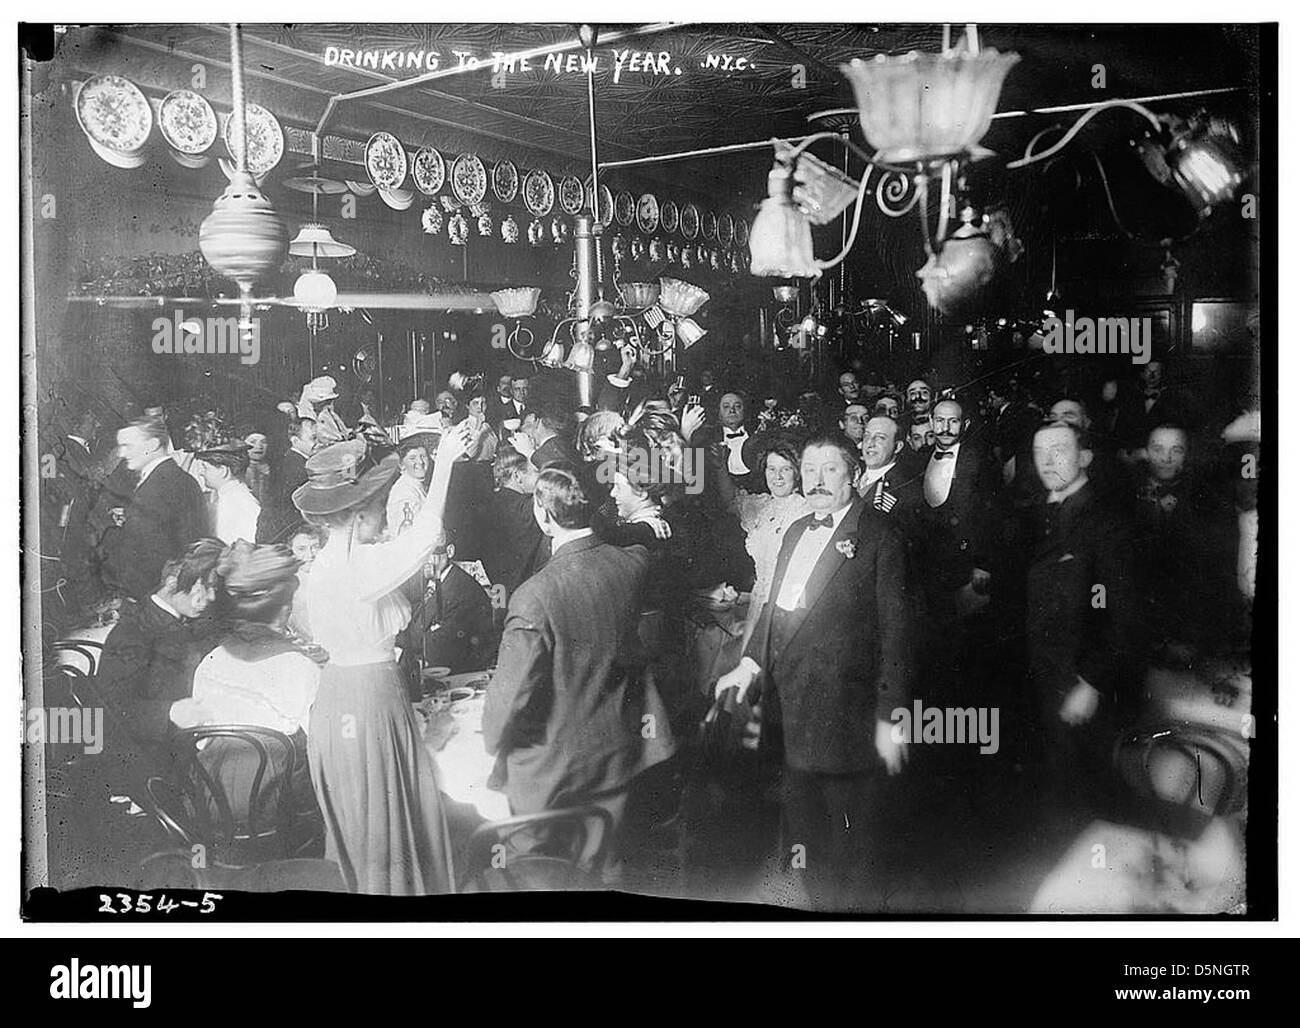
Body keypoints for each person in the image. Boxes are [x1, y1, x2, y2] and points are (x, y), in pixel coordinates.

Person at [715, 433, 913, 910]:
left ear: (854, 474)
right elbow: (775, 612)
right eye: (808, 469)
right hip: (793, 706)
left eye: (828, 469)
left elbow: (898, 635)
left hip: (850, 712)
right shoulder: (797, 530)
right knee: (806, 826)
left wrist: (892, 718)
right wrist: (749, 663)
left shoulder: (881, 537)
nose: (816, 480)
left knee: (854, 840)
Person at [292, 425, 472, 895]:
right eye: (375, 510)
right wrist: (447, 461)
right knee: (387, 815)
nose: (381, 518)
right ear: (355, 518)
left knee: (367, 821)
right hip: (368, 700)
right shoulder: (356, 568)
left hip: (341, 698)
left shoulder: (329, 564)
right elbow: (427, 535)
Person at [483, 465, 673, 865]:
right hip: (617, 752)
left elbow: (509, 701)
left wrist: (491, 739)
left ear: (544, 516)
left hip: (554, 772)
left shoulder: (533, 596)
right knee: (604, 861)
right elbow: (638, 543)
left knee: (537, 872)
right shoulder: (631, 565)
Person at [1024, 422, 1136, 820]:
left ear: (1085, 457)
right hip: (1044, 677)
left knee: (1085, 796)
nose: (1048, 461)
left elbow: (1126, 616)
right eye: (1040, 451)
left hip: (1083, 682)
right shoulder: (1039, 514)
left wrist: (1092, 683)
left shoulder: (1108, 522)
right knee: (1054, 786)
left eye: (1060, 449)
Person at [179, 541, 324, 828]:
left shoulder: (211, 660)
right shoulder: (301, 667)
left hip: (209, 805)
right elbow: (320, 750)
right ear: (285, 610)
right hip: (277, 809)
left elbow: (203, 739)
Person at [93, 538, 227, 785]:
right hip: (151, 763)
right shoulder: (132, 633)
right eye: (205, 587)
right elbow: (107, 710)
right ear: (172, 582)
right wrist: (169, 712)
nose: (210, 597)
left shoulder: (174, 617)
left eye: (215, 588)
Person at [100, 418, 209, 600]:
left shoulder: (157, 487)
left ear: (153, 444)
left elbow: (149, 557)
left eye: (128, 446)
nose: (121, 453)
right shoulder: (176, 478)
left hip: (156, 595)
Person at [410, 529, 497, 673]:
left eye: (430, 553)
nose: (423, 561)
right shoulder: (429, 582)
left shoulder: (464, 591)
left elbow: (438, 650)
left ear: (449, 551)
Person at [484, 449, 548, 595]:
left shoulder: (489, 503)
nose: (539, 477)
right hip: (527, 593)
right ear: (518, 476)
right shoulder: (526, 507)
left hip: (499, 592)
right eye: (536, 471)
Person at [194, 442, 261, 545]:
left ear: (223, 471)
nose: (201, 473)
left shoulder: (241, 504)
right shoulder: (229, 497)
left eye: (205, 467)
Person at [386, 436, 433, 538]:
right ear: (401, 465)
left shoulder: (415, 485)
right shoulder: (404, 491)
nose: (420, 462)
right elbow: (408, 535)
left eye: (423, 456)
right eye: (412, 458)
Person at [297, 376, 350, 446]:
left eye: (329, 401)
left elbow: (341, 431)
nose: (327, 404)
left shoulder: (328, 413)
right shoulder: (303, 417)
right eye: (325, 401)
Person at [243, 432, 273, 508]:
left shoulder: (275, 471)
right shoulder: (237, 471)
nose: (259, 446)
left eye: (263, 442)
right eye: (253, 442)